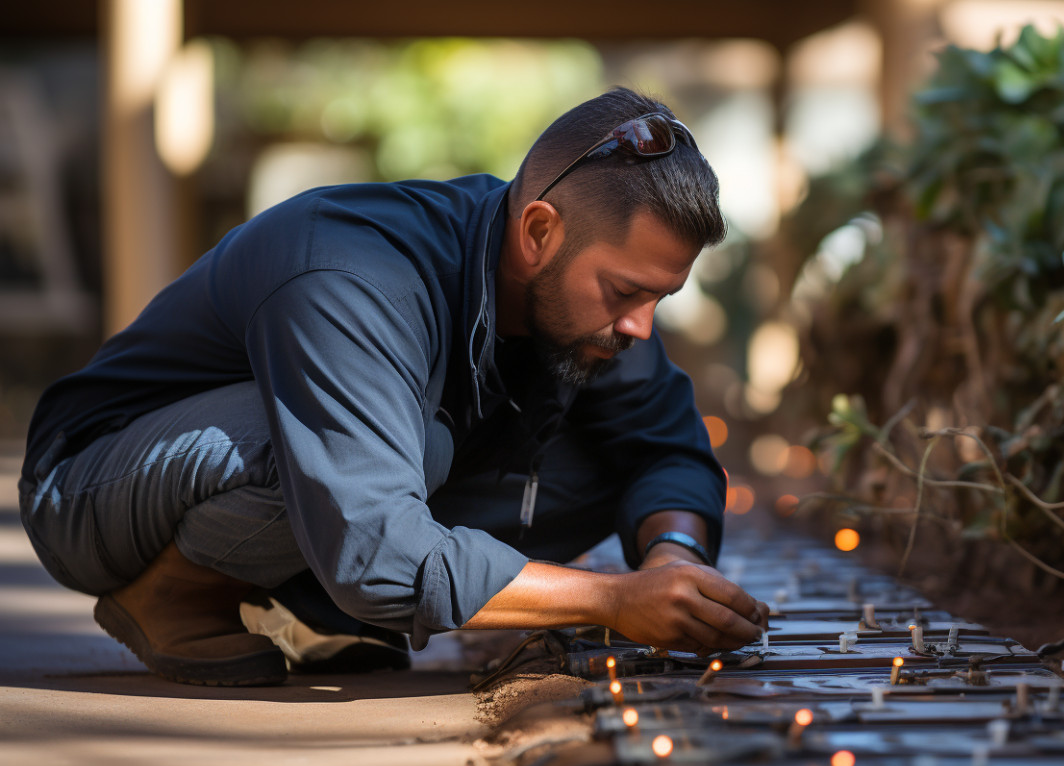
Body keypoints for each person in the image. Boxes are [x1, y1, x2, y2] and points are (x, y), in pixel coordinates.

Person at [17, 87, 766, 686]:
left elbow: (668, 444)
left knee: (597, 449)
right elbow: (374, 545)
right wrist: (612, 599)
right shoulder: (351, 273)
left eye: (658, 299)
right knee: (408, 453)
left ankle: (305, 603)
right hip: (93, 486)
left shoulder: (588, 300)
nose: (640, 326)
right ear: (539, 232)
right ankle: (176, 593)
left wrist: (672, 556)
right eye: (624, 291)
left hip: (331, 474)